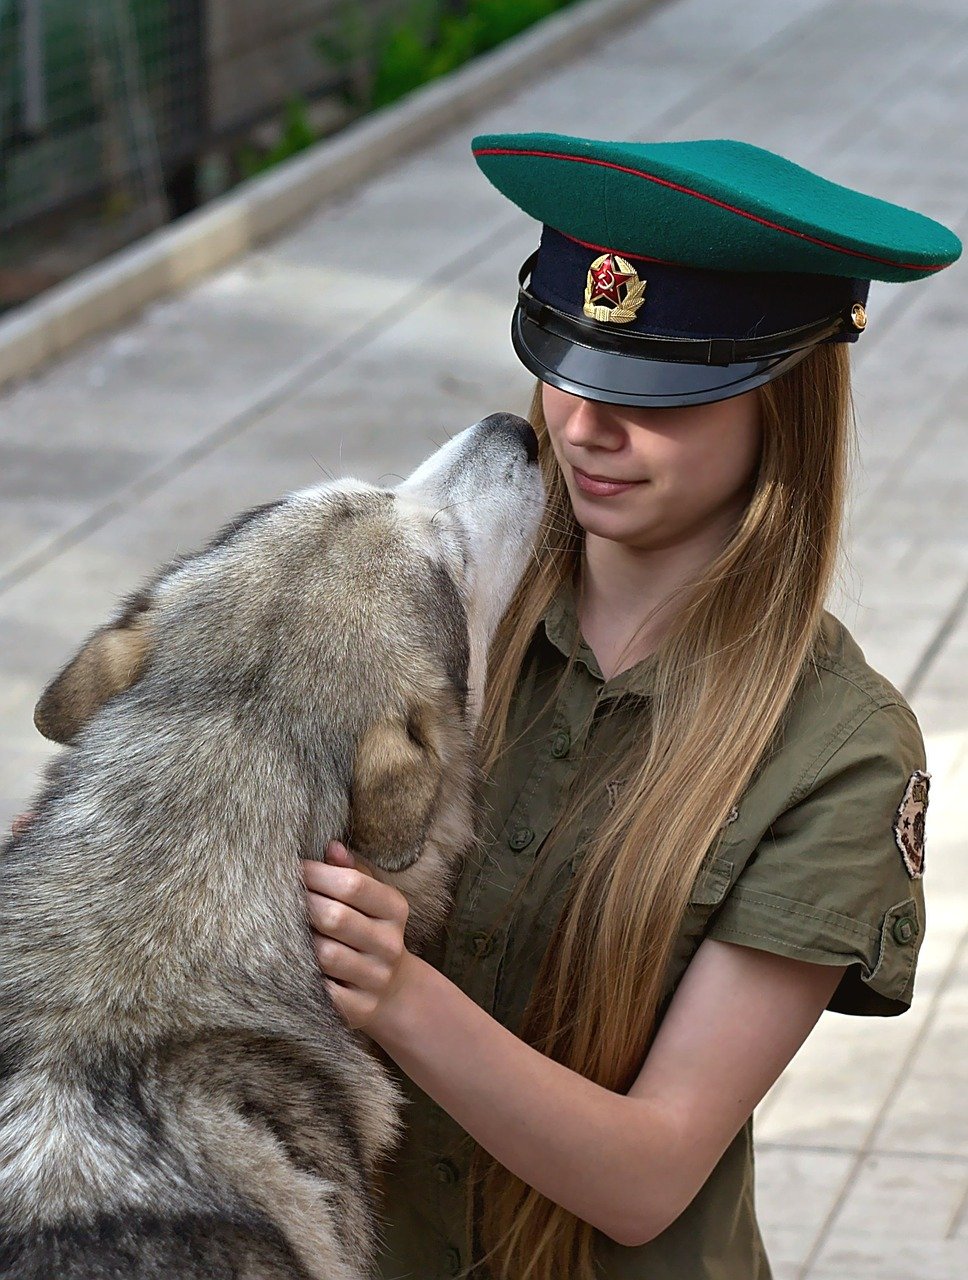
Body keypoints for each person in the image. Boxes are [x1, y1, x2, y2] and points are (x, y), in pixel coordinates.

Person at [300, 133, 959, 1280]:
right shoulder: (428, 615)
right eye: (565, 369)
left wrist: (395, 987)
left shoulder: (836, 752)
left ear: (779, 401)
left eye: (658, 392)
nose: (584, 427)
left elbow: (646, 1174)